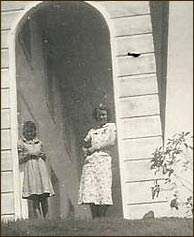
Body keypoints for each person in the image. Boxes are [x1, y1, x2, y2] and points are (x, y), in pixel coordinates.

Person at [78, 103, 116, 219]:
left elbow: (111, 142)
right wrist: (85, 150)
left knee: (103, 186)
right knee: (91, 188)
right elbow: (84, 143)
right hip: (91, 162)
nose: (101, 117)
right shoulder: (92, 131)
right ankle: (95, 218)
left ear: (107, 115)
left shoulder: (111, 127)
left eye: (104, 115)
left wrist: (95, 148)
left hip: (103, 160)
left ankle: (102, 218)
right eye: (99, 115)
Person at [18, 121, 55, 218]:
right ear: (24, 132)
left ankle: (47, 219)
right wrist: (30, 154)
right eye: (27, 132)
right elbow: (20, 159)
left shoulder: (39, 143)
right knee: (35, 196)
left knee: (44, 196)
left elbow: (44, 155)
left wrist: (43, 155)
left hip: (41, 170)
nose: (29, 134)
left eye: (31, 131)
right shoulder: (22, 143)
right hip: (31, 170)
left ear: (34, 131)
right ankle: (38, 219)